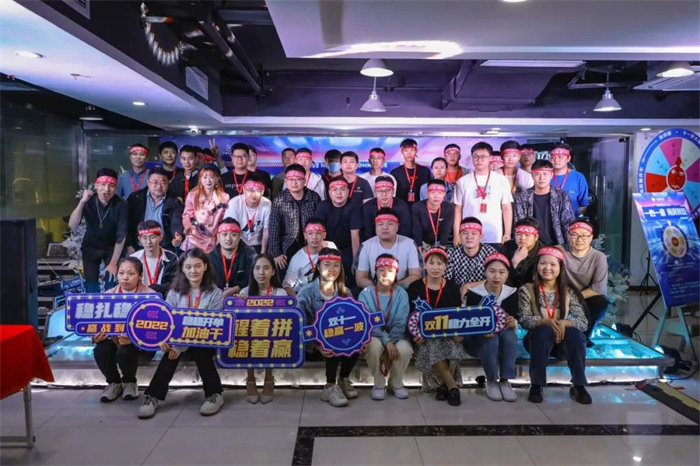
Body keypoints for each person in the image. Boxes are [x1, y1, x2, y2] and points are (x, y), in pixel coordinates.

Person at [138, 248, 225, 418]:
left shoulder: (216, 293)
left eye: (197, 266)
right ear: (182, 269)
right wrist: (165, 342)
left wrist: (179, 347)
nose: (193, 271)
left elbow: (209, 327)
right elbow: (168, 323)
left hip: (204, 341)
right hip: (178, 342)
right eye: (188, 267)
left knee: (201, 351)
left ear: (205, 266)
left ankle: (215, 395)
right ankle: (152, 396)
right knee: (169, 355)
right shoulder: (174, 293)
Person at [518, 247, 591, 405]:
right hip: (536, 341)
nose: (547, 268)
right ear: (537, 266)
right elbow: (524, 319)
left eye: (553, 264)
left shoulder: (569, 291)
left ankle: (579, 385)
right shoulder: (527, 289)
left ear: (560, 268)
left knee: (576, 334)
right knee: (543, 331)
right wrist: (544, 321)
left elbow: (583, 322)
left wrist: (564, 323)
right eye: (543, 263)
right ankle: (536, 385)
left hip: (562, 343)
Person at [296, 248, 359, 407]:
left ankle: (343, 379)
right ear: (318, 266)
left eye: (336, 265)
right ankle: (330, 387)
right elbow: (301, 328)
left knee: (356, 340)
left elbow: (353, 321)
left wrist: (360, 337)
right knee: (331, 341)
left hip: (338, 336)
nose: (332, 269)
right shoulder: (306, 293)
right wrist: (317, 346)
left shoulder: (345, 292)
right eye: (327, 264)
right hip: (312, 342)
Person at [408, 248, 466, 406]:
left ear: (446, 267)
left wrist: (459, 333)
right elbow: (410, 317)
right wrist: (415, 335)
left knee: (454, 348)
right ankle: (452, 387)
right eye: (431, 263)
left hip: (448, 335)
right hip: (424, 337)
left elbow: (457, 316)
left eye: (440, 264)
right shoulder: (415, 287)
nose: (435, 267)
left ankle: (444, 386)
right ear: (425, 265)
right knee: (433, 345)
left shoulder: (453, 287)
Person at [92, 258, 155, 402]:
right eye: (121, 273)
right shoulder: (108, 295)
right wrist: (95, 337)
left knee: (125, 351)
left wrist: (134, 339)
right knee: (101, 349)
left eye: (131, 273)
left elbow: (156, 330)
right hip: (116, 340)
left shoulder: (150, 295)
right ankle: (114, 383)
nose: (125, 277)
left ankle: (130, 382)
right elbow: (95, 324)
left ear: (140, 276)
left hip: (142, 346)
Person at [464, 253, 519, 402]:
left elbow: (515, 318)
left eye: (502, 272)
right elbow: (469, 322)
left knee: (509, 335)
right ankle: (492, 381)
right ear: (485, 272)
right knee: (491, 338)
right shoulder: (475, 293)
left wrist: (513, 322)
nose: (496, 276)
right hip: (477, 340)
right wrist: (481, 330)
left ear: (507, 274)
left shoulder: (511, 293)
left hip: (503, 338)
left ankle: (505, 381)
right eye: (492, 271)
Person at [357, 254, 412, 400]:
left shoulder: (402, 294)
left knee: (404, 349)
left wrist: (390, 344)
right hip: (374, 336)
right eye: (381, 270)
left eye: (390, 270)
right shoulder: (365, 294)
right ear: (375, 272)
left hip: (398, 337)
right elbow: (367, 324)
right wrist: (386, 342)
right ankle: (379, 384)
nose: (385, 274)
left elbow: (401, 324)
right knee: (373, 345)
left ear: (396, 273)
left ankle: (396, 383)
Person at [68, 168, 128, 292]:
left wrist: (113, 263)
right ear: (96, 185)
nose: (107, 189)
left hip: (112, 247)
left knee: (111, 284)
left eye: (111, 185)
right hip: (91, 246)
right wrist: (82, 202)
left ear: (116, 188)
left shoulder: (121, 205)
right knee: (91, 285)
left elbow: (121, 236)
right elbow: (72, 225)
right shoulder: (88, 201)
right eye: (103, 184)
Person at [239, 253, 287, 404]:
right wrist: (239, 302)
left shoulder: (281, 293)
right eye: (257, 268)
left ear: (273, 272)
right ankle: (250, 379)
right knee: (245, 336)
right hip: (251, 334)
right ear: (252, 271)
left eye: (266, 268)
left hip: (272, 333)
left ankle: (269, 378)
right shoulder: (245, 292)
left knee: (272, 337)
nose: (261, 272)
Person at [453, 142, 513, 247]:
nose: (479, 159)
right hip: (468, 235)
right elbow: (458, 210)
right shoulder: (462, 181)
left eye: (483, 156)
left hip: (494, 235)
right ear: (472, 158)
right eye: (476, 156)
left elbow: (506, 208)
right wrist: (456, 234)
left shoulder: (501, 180)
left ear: (490, 158)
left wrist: (507, 233)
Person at [561, 220, 609, 347]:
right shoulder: (561, 253)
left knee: (600, 303)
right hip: (561, 294)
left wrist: (572, 297)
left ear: (591, 237)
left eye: (584, 235)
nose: (579, 239)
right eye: (575, 234)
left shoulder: (598, 257)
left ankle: (584, 336)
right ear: (568, 236)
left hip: (586, 296)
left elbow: (598, 288)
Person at [268, 164, 322, 275]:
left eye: (298, 179)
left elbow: (320, 224)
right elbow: (274, 227)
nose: (294, 182)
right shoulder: (279, 199)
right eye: (291, 179)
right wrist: (276, 253)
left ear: (304, 180)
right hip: (287, 244)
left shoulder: (314, 197)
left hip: (311, 243)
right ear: (286, 181)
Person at [355, 208, 422, 289]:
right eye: (380, 224)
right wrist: (380, 290)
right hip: (373, 291)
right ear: (375, 226)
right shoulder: (366, 246)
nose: (385, 227)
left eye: (390, 224)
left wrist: (394, 288)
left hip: (402, 290)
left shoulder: (410, 244)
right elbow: (360, 279)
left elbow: (416, 275)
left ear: (397, 226)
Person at [514, 159, 575, 246]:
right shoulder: (522, 198)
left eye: (545, 174)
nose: (541, 178)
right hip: (531, 246)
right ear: (532, 175)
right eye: (537, 174)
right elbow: (519, 225)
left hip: (558, 245)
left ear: (552, 175)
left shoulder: (562, 196)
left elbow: (567, 224)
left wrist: (567, 247)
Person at [313, 177, 361, 286]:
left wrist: (356, 261)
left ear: (348, 191)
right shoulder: (323, 206)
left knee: (350, 268)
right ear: (329, 192)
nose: (339, 193)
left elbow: (355, 235)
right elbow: (318, 232)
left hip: (348, 248)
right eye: (335, 190)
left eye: (342, 189)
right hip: (327, 246)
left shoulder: (354, 206)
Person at [126, 167, 183, 254]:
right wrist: (129, 244)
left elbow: (176, 222)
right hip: (139, 245)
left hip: (164, 246)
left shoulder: (174, 201)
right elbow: (127, 224)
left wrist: (177, 235)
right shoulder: (135, 198)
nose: (159, 186)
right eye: (155, 182)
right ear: (148, 182)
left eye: (163, 182)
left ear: (168, 183)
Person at [180, 163, 230, 254]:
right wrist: (190, 227)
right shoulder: (192, 195)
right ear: (200, 180)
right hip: (194, 239)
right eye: (205, 177)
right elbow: (187, 215)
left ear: (217, 179)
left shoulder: (224, 197)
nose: (208, 181)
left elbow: (224, 219)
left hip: (214, 240)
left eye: (211, 177)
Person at [282, 218, 338, 295]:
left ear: (324, 235)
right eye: (310, 233)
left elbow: (338, 271)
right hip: (303, 292)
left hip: (326, 290)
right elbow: (286, 285)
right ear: (305, 235)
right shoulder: (297, 258)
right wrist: (298, 299)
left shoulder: (331, 246)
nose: (314, 237)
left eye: (318, 233)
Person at [445, 218, 498, 297]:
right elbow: (445, 280)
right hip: (458, 294)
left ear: (481, 236)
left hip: (484, 294)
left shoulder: (490, 253)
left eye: (474, 233)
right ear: (459, 236)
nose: (469, 237)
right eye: (465, 233)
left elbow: (497, 279)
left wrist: (470, 286)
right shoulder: (451, 253)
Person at [208, 218, 256, 297]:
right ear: (218, 237)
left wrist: (234, 290)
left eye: (233, 235)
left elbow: (253, 280)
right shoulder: (210, 257)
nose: (228, 238)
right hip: (216, 298)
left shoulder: (250, 255)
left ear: (239, 236)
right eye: (224, 234)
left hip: (242, 298)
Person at [223, 174, 271, 253]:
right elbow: (230, 228)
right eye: (250, 190)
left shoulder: (267, 204)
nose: (253, 194)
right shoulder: (234, 203)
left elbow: (266, 231)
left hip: (258, 244)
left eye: (258, 190)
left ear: (262, 192)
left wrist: (262, 254)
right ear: (244, 190)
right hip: (238, 243)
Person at [130, 220, 179, 297]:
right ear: (140, 239)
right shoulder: (133, 258)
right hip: (139, 298)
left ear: (160, 237)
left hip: (164, 299)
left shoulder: (171, 258)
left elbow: (175, 283)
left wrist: (157, 289)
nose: (148, 242)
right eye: (144, 238)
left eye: (152, 237)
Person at [361, 175, 412, 240]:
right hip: (374, 242)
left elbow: (405, 232)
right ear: (375, 192)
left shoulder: (402, 207)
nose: (384, 194)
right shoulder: (367, 207)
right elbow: (367, 233)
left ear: (393, 191)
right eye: (380, 191)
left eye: (388, 190)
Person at [412, 179, 455, 250]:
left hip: (441, 241)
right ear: (427, 193)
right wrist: (419, 245)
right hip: (423, 241)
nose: (436, 196)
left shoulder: (449, 207)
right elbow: (417, 228)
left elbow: (446, 229)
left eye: (440, 193)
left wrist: (442, 247)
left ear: (444, 194)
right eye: (433, 192)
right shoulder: (417, 207)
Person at [550, 143, 589, 216]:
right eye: (553, 157)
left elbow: (583, 205)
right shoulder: (544, 176)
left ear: (568, 158)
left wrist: (571, 217)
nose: (556, 160)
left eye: (560, 157)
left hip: (571, 221)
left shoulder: (578, 177)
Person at [502, 217, 543, 288]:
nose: (522, 238)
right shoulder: (507, 247)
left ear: (536, 237)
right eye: (518, 234)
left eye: (527, 235)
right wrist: (514, 262)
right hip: (509, 288)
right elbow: (500, 274)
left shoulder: (542, 252)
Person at [390, 138, 431, 205]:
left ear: (416, 150)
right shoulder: (395, 173)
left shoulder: (425, 171)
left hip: (421, 207)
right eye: (406, 150)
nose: (409, 153)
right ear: (401, 152)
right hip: (401, 207)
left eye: (412, 150)